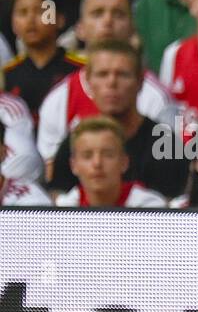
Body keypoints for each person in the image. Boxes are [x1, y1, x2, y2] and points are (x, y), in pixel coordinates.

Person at [36, 0, 179, 160]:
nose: (108, 21)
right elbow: (53, 169)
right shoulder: (59, 98)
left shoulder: (155, 97)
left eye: (118, 14)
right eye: (97, 13)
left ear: (132, 27)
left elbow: (167, 164)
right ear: (80, 28)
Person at [46, 40, 182, 197]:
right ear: (89, 82)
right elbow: (57, 201)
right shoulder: (74, 143)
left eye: (123, 74)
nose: (111, 83)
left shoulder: (165, 143)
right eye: (102, 74)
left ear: (140, 82)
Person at [3, 0, 83, 117]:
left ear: (60, 19)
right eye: (22, 12)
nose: (30, 20)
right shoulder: (6, 75)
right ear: (13, 24)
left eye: (41, 11)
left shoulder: (81, 70)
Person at [53, 115, 168, 207]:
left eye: (108, 155)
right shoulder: (64, 209)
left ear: (124, 162)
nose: (97, 163)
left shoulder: (150, 209)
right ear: (73, 165)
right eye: (87, 156)